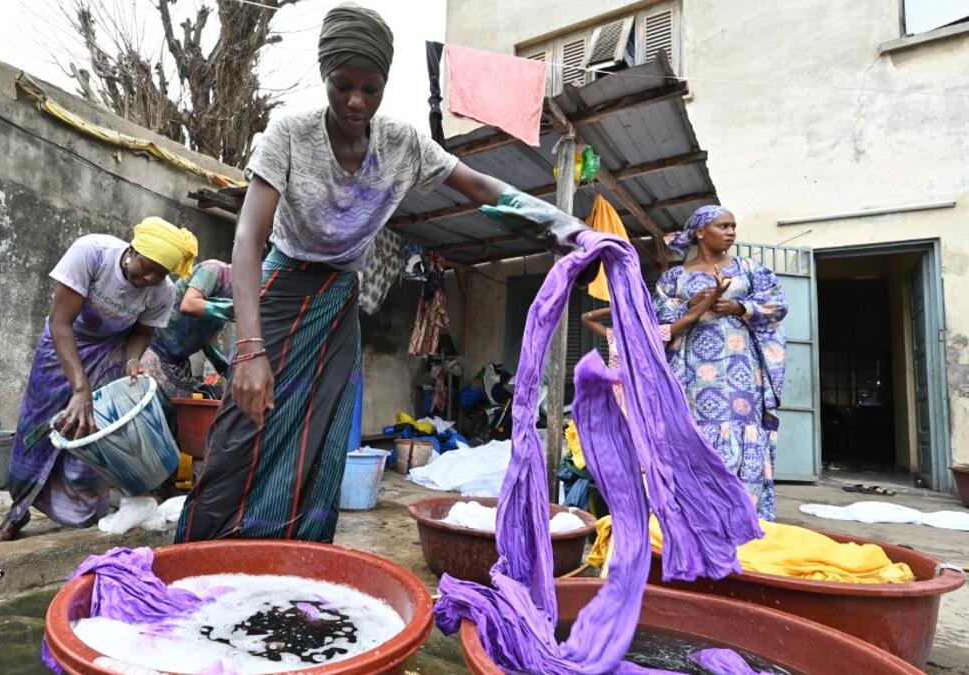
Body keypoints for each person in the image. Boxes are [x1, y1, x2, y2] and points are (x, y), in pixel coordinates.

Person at [175, 3, 591, 543]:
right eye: (341, 84)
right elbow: (249, 238)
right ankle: (200, 551)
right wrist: (249, 348)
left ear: (384, 85)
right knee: (244, 424)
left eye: (370, 88)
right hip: (282, 286)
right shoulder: (290, 135)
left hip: (338, 295)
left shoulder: (402, 145)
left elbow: (482, 187)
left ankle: (294, 556)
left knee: (323, 431)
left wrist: (562, 223)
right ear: (325, 76)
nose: (355, 101)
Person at [0, 218, 197, 542]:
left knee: (93, 440)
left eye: (161, 273)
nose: (151, 278)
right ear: (133, 250)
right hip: (62, 350)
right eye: (148, 267)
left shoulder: (161, 291)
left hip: (109, 355)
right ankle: (17, 512)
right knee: (39, 433)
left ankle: (83, 522)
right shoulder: (92, 254)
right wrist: (80, 388)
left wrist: (132, 360)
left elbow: (142, 331)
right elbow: (60, 323)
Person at [654, 205, 787, 520]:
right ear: (701, 232)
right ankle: (693, 514)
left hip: (740, 369)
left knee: (740, 430)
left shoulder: (749, 269)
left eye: (733, 226)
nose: (731, 232)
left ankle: (741, 514)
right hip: (690, 371)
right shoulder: (674, 277)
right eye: (723, 226)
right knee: (689, 431)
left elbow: (777, 305)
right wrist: (694, 304)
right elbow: (656, 319)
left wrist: (740, 307)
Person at [582, 271, 730, 409]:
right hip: (618, 394)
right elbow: (587, 318)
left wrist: (716, 293)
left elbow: (689, 317)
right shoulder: (617, 336)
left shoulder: (654, 334)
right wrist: (616, 309)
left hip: (645, 394)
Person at [144, 260, 234, 399]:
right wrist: (235, 309)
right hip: (154, 351)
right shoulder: (214, 270)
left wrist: (229, 371)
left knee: (178, 415)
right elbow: (189, 304)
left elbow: (209, 341)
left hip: (178, 365)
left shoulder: (234, 294)